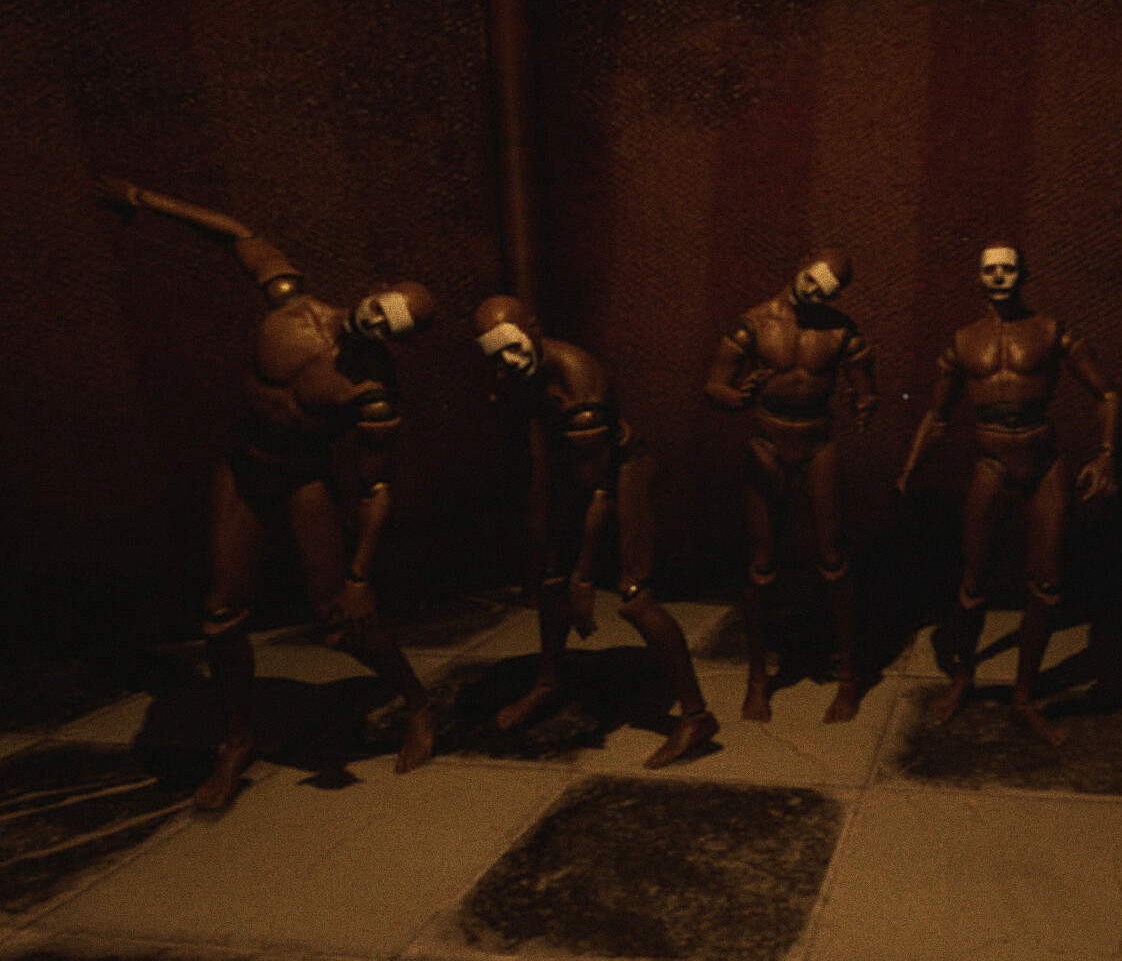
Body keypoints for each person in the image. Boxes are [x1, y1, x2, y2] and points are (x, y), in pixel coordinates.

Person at [96, 177, 446, 811]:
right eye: (380, 306)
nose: (374, 322)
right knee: (220, 616)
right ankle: (238, 742)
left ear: (398, 341)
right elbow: (240, 235)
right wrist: (143, 200)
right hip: (242, 466)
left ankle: (420, 703)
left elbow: (376, 487)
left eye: (390, 326)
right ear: (374, 290)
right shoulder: (294, 309)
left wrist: (360, 578)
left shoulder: (373, 394)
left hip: (301, 478)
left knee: (338, 621)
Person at [472, 295, 717, 765]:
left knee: (634, 594)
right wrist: (543, 532)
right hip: (574, 469)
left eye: (512, 346)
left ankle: (696, 715)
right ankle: (548, 681)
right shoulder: (521, 373)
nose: (507, 360)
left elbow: (599, 491)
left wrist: (584, 579)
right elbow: (541, 443)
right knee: (550, 573)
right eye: (495, 353)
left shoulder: (578, 381)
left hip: (619, 475)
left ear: (534, 328)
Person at [896, 246, 1120, 746]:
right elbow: (937, 416)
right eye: (990, 270)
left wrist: (1107, 454)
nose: (1000, 277)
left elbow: (1106, 393)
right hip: (992, 460)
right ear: (979, 278)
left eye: (1009, 268)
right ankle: (963, 679)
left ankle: (1023, 697)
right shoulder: (963, 341)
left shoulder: (1051, 330)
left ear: (1024, 274)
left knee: (1047, 583)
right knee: (973, 582)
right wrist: (910, 466)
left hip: (1044, 461)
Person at [703, 247, 877, 723]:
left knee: (834, 561)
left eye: (827, 290)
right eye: (813, 279)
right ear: (801, 268)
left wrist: (864, 403)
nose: (815, 291)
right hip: (768, 444)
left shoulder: (841, 332)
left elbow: (866, 386)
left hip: (818, 444)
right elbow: (714, 385)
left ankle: (848, 679)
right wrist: (736, 399)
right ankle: (758, 679)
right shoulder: (754, 325)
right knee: (761, 566)